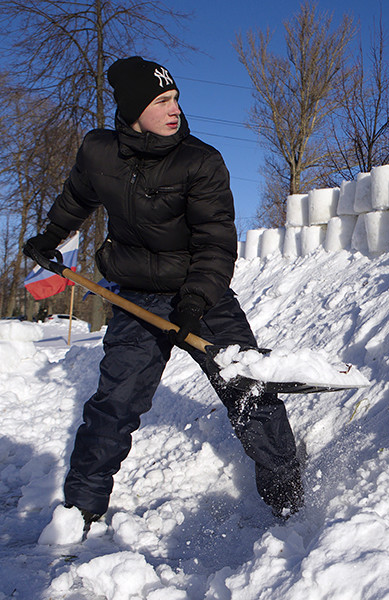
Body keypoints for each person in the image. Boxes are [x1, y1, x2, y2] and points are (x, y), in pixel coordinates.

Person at [22, 56, 303, 527]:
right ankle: (80, 511)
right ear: (134, 110)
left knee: (250, 392)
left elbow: (215, 243)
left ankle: (289, 502)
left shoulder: (200, 161)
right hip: (134, 295)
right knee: (113, 404)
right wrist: (49, 238)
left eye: (175, 98)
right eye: (161, 101)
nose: (174, 109)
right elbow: (78, 197)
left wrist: (194, 302)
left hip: (200, 293)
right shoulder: (98, 151)